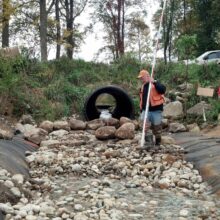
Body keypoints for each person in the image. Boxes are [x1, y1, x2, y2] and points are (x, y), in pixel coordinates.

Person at [137, 69, 166, 148]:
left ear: (147, 76)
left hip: (156, 110)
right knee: (143, 125)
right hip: (145, 111)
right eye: (140, 78)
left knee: (157, 128)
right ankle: (148, 142)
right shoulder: (142, 87)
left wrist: (154, 82)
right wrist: (141, 109)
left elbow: (162, 90)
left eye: (142, 77)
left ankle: (158, 143)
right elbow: (142, 99)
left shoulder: (155, 84)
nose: (141, 79)